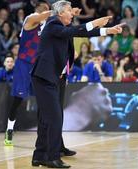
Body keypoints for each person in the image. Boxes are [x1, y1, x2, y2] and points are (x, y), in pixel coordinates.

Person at [30, 0, 122, 168]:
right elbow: (77, 30)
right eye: (69, 11)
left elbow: (80, 33)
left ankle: (39, 156)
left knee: (46, 118)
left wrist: (107, 30)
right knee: (55, 118)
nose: (72, 13)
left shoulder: (61, 28)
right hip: (44, 77)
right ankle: (51, 157)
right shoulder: (52, 24)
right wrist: (95, 22)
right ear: (59, 13)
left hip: (54, 77)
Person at [4, 0, 52, 146]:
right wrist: (59, 10)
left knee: (43, 99)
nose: (48, 10)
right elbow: (45, 15)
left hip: (38, 65)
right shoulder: (30, 18)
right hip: (24, 64)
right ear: (40, 7)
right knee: (18, 99)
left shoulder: (45, 25)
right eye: (46, 8)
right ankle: (9, 129)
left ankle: (44, 134)